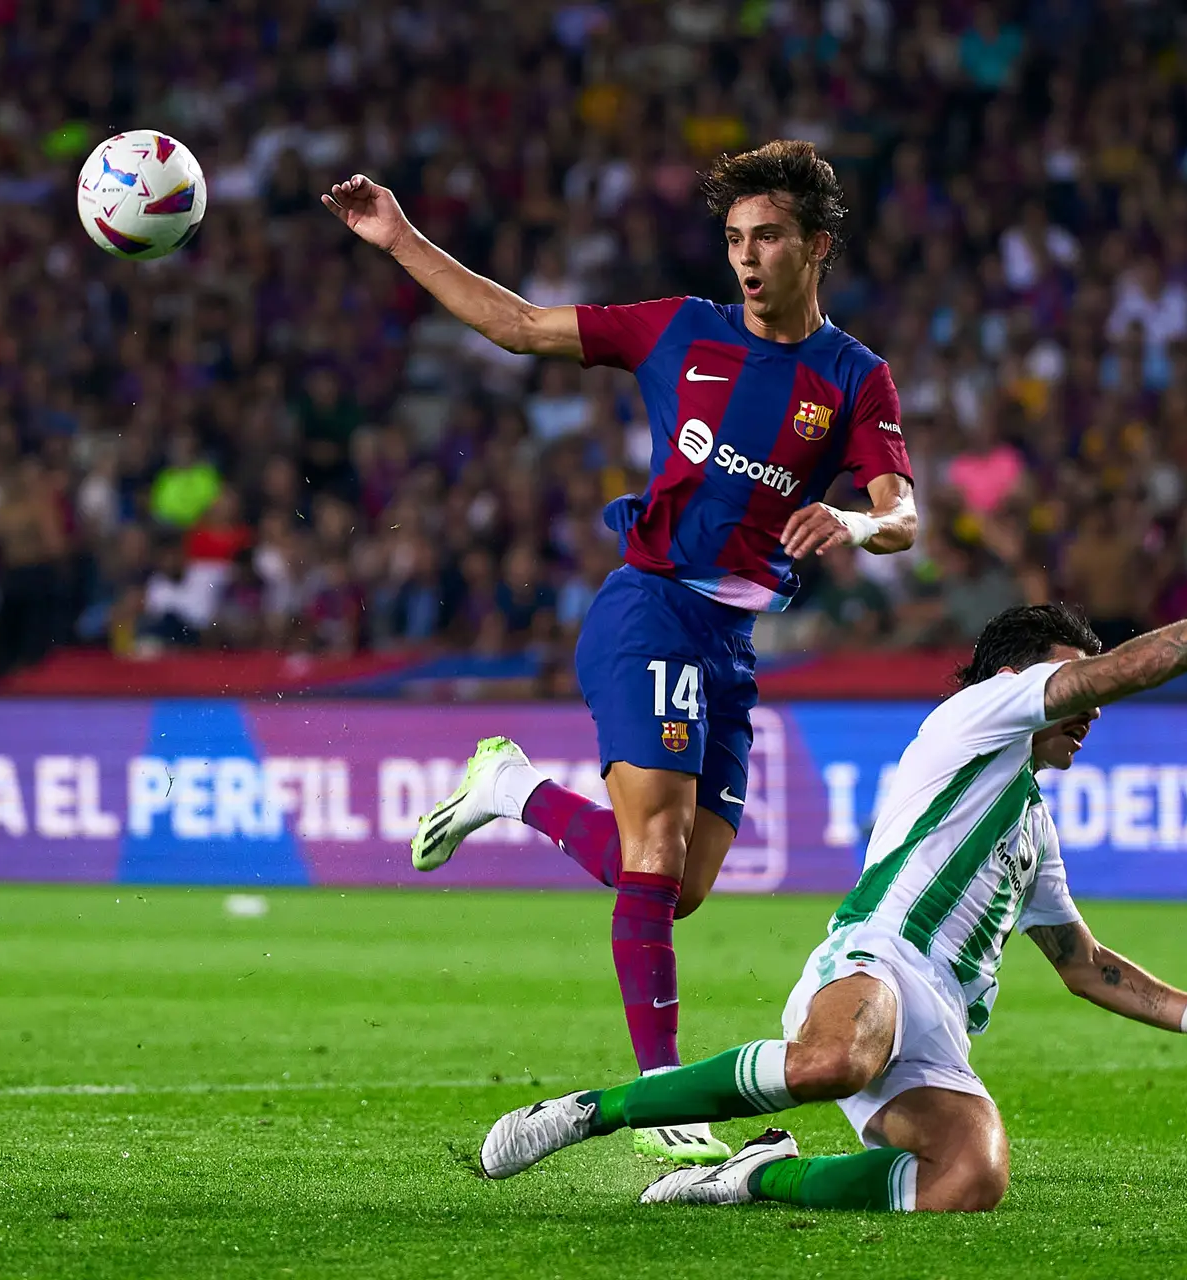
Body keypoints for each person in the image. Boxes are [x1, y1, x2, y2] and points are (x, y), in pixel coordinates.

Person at [326, 140, 919, 1165]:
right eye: (735, 237)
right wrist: (399, 236)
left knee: (675, 885)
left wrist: (855, 524)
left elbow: (902, 511)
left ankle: (513, 788)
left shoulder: (853, 377)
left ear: (817, 246)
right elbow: (515, 326)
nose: (747, 255)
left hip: (731, 638)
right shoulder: (679, 330)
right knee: (650, 859)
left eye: (769, 236)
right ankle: (661, 1095)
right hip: (648, 604)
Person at [475, 558, 1187, 1211]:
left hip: (941, 1023)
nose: (1094, 705)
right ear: (1017, 678)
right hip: (874, 960)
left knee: (969, 1179)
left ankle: (748, 1177)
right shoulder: (976, 717)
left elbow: (1084, 965)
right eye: (1076, 682)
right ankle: (596, 1111)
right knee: (835, 1061)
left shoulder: (1029, 822)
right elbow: (1133, 667)